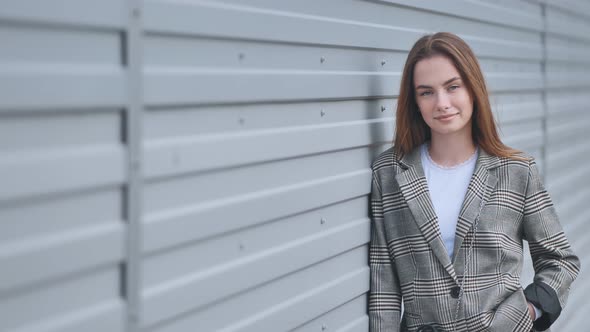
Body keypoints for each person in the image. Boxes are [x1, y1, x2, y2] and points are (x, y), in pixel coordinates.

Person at [368, 32, 580, 332]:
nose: (442, 103)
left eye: (452, 87)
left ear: (472, 88)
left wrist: (523, 314)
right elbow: (384, 287)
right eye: (426, 92)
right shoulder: (389, 173)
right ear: (414, 101)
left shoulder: (516, 171)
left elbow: (560, 261)